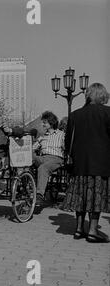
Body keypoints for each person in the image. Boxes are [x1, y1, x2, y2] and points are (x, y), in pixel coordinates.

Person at [60, 83, 110, 243]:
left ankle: (79, 228)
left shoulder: (75, 115)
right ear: (103, 96)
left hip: (79, 163)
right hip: (101, 163)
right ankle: (93, 230)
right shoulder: (108, 113)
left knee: (81, 194)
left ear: (88, 95)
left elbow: (67, 142)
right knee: (96, 195)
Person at [31, 111, 65, 206]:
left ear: (51, 122)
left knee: (43, 168)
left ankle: (39, 195)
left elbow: (67, 148)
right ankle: (25, 183)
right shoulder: (42, 136)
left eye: (44, 122)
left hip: (56, 159)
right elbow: (33, 148)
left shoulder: (61, 134)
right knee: (29, 155)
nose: (42, 124)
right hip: (43, 158)